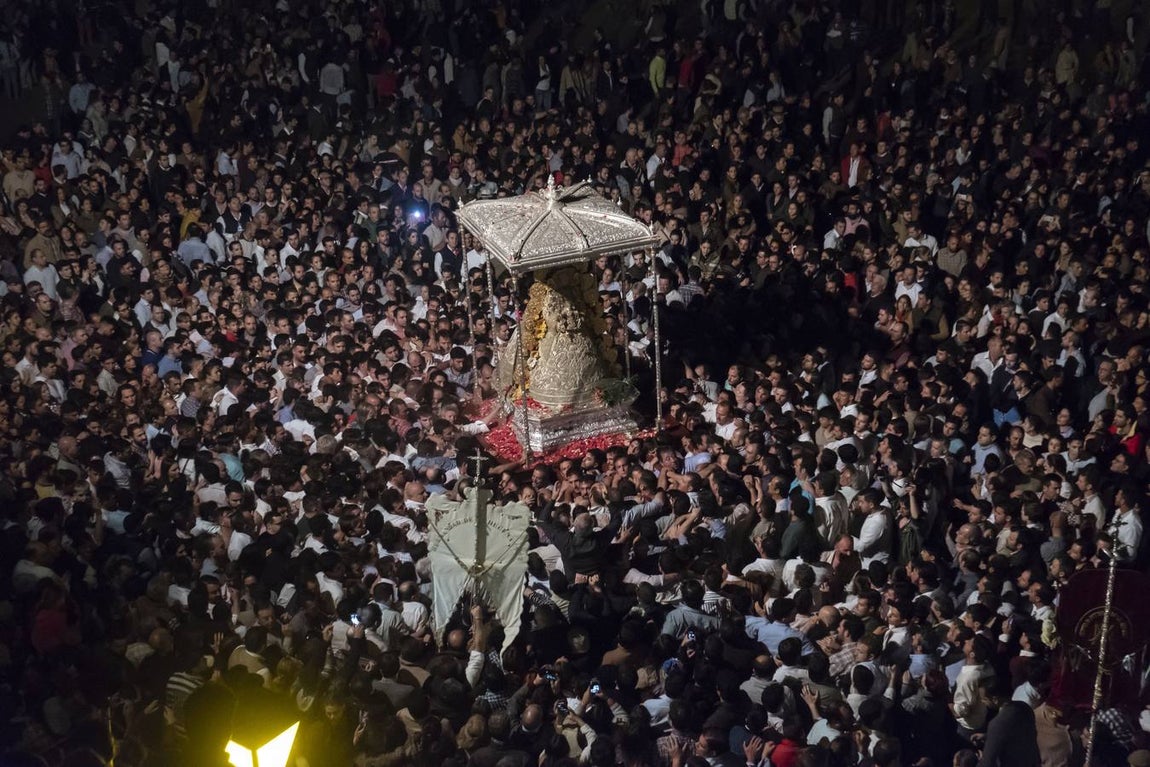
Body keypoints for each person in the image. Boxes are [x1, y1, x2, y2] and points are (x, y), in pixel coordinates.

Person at [1, 2, 1148, 767]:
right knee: (548, 365)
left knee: (557, 371)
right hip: (562, 351)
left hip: (575, 355)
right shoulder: (556, 321)